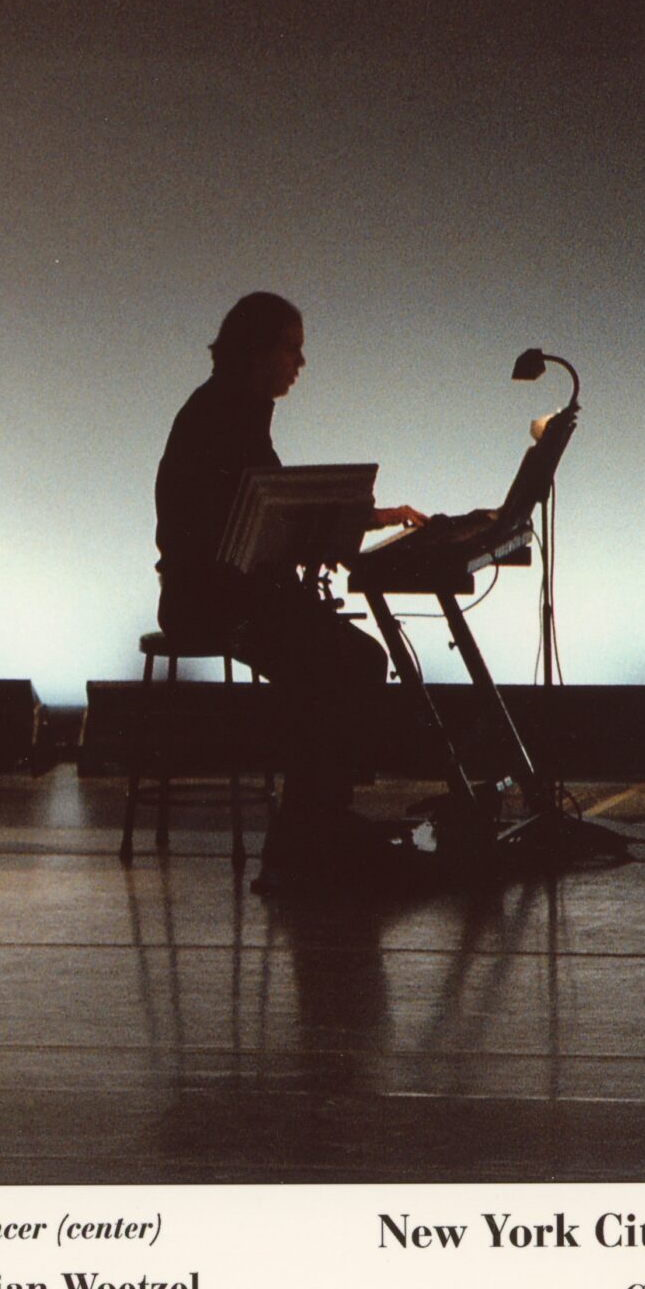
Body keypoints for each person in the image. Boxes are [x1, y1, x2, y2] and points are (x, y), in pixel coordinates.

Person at [154, 292, 424, 889]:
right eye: (290, 348)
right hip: (209, 600)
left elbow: (271, 514)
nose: (299, 363)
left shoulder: (234, 412)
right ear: (256, 349)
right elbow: (240, 525)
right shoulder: (220, 418)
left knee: (345, 658)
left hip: (229, 594)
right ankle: (308, 834)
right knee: (343, 660)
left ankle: (315, 825)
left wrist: (366, 518)